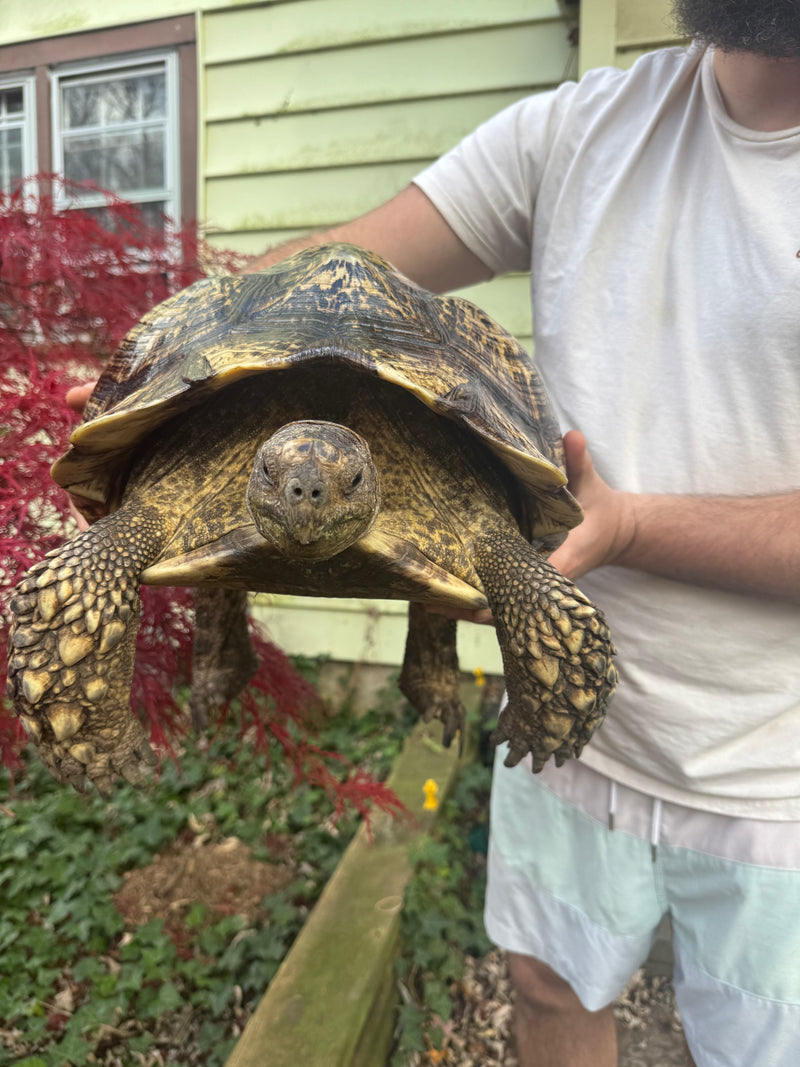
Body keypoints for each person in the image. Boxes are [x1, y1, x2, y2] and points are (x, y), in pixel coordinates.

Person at [67, 2, 800, 1063]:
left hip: (769, 763)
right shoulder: (579, 129)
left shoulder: (484, 541)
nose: (309, 491)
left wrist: (630, 523)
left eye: (335, 480)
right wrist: (200, 323)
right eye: (287, 478)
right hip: (562, 718)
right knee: (546, 982)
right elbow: (334, 265)